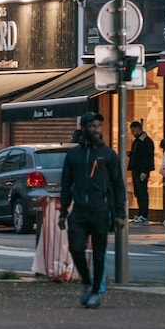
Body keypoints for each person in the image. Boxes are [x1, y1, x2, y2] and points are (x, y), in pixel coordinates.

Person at [58, 111, 126, 309]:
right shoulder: (73, 155)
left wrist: (119, 214)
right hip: (79, 210)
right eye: (92, 126)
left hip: (100, 210)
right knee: (76, 248)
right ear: (83, 128)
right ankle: (86, 282)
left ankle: (96, 292)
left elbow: (118, 185)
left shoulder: (108, 155)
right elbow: (66, 185)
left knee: (99, 253)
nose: (96, 130)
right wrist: (63, 212)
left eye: (98, 126)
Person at [128, 121, 155, 224]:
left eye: (133, 130)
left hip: (141, 170)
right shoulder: (137, 141)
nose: (132, 133)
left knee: (142, 191)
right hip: (136, 169)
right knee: (138, 192)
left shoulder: (146, 141)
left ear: (138, 129)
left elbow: (147, 158)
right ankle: (140, 213)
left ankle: (144, 214)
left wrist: (145, 171)